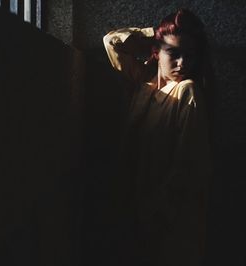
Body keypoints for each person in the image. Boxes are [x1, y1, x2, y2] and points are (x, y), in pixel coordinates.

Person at [103, 8, 214, 266]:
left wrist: (155, 217)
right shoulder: (147, 86)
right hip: (139, 217)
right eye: (174, 53)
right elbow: (112, 42)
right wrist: (155, 33)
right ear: (156, 52)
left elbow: (189, 167)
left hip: (169, 227)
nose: (183, 63)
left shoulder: (188, 92)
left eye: (190, 55)